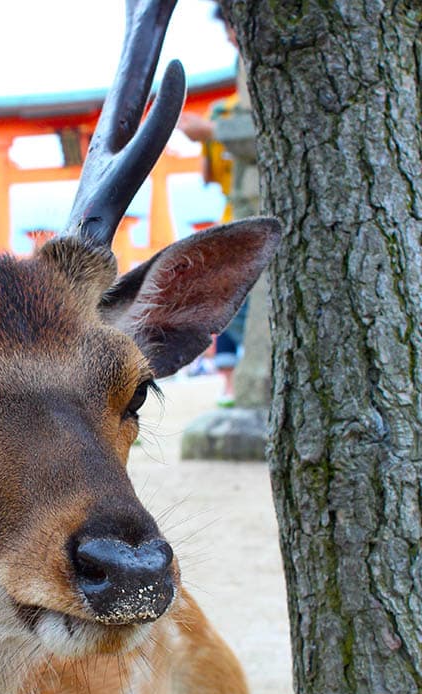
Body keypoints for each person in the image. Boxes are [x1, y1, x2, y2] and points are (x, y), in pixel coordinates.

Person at [178, 6, 259, 406]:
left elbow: (266, 128)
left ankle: (255, 388)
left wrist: (212, 130)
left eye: (230, 26)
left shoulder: (257, 58)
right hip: (242, 200)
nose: (230, 35)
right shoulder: (240, 61)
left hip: (258, 200)